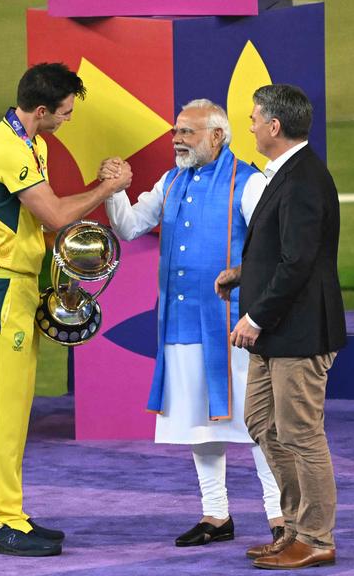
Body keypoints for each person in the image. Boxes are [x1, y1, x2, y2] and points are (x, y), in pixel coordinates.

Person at [0, 62, 132, 557]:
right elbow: (55, 215)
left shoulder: (29, 142)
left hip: (14, 287)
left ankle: (3, 513)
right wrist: (106, 188)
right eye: (64, 113)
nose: (67, 120)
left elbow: (39, 222)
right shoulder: (12, 149)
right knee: (2, 413)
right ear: (41, 110)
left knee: (14, 409)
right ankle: (2, 520)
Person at [101, 99, 283, 549]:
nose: (178, 140)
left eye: (188, 132)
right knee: (199, 424)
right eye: (176, 132)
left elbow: (274, 248)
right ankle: (216, 514)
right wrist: (112, 189)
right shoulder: (172, 180)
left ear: (217, 136)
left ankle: (281, 516)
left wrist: (254, 308)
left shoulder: (250, 182)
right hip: (181, 324)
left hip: (236, 328)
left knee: (258, 423)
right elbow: (128, 227)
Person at [216, 83, 346, 570]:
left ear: (274, 126)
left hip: (299, 332)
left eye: (253, 119)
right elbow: (282, 253)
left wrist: (254, 315)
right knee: (264, 424)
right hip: (280, 333)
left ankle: (316, 537)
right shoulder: (287, 174)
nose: (248, 125)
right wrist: (243, 276)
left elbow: (298, 262)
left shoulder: (304, 180)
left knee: (301, 433)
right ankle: (292, 527)